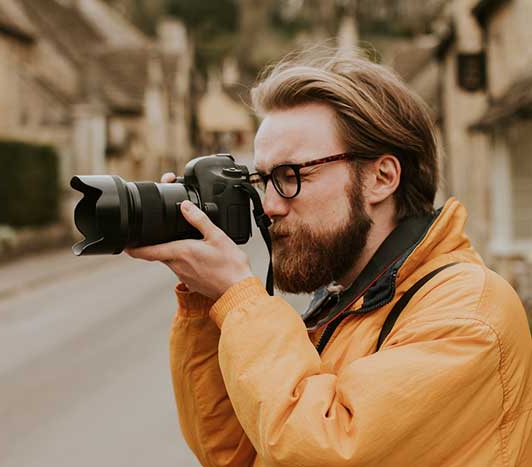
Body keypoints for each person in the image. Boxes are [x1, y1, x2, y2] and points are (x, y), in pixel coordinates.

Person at [126, 50, 532, 466]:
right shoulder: (351, 300)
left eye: (291, 176)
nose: (268, 206)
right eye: (263, 180)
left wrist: (239, 297)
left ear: (381, 178)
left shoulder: (468, 313)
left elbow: (323, 451)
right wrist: (207, 301)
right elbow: (234, 455)